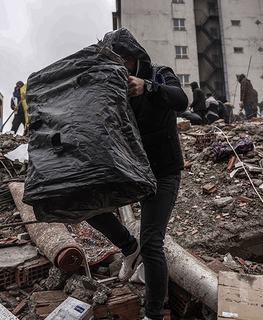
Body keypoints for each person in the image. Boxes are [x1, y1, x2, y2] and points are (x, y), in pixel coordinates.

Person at [86, 28, 188, 320]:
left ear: (134, 59)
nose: (118, 69)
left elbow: (181, 101)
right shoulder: (111, 88)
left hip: (163, 172)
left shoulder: (159, 74)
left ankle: (153, 315)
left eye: (123, 62)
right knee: (87, 205)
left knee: (152, 242)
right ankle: (130, 249)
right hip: (131, 171)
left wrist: (148, 88)